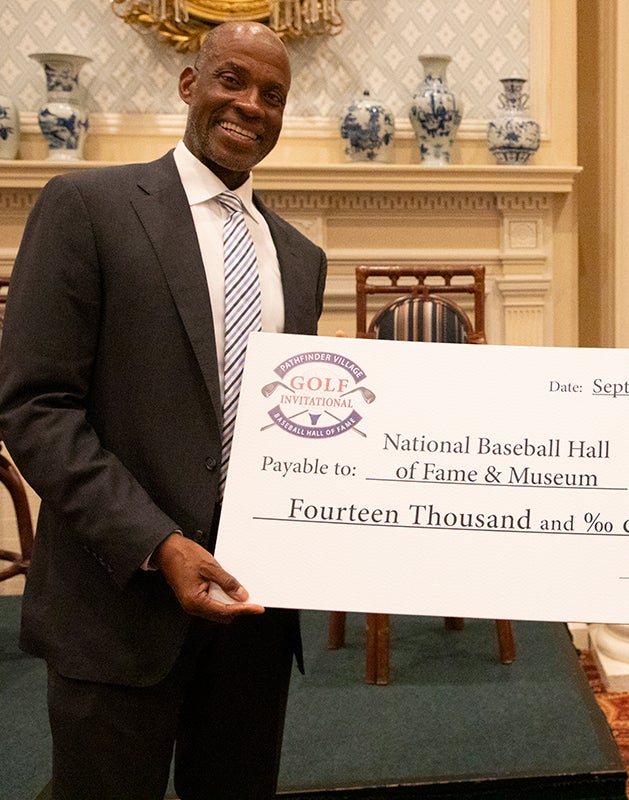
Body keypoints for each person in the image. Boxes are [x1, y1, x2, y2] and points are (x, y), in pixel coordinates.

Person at [0, 21, 327, 799]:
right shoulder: (87, 207)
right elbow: (35, 404)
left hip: (253, 615)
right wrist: (158, 544)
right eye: (232, 81)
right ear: (190, 84)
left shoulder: (300, 259)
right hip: (117, 605)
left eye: (272, 96)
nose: (250, 105)